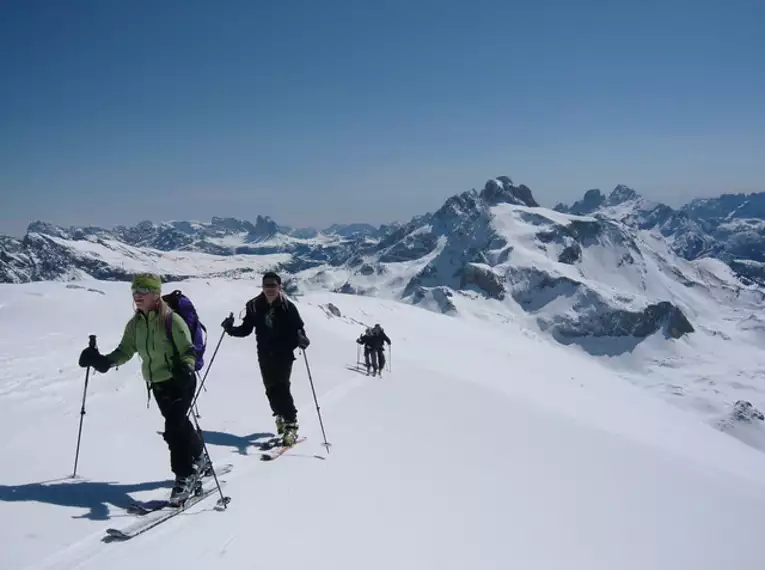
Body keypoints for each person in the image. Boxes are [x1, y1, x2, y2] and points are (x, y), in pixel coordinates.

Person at [77, 273, 208, 506]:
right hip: (157, 383)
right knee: (178, 424)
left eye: (143, 291)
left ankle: (185, 475)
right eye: (135, 291)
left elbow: (188, 350)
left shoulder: (172, 320)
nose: (137, 295)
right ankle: (200, 457)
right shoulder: (135, 324)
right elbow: (125, 351)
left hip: (180, 381)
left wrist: (186, 368)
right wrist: (102, 362)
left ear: (156, 295)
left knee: (173, 429)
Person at [221, 271, 309, 446]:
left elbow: (299, 329)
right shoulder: (254, 306)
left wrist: (302, 340)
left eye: (273, 286)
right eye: (267, 285)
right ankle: (280, 416)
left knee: (282, 387)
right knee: (270, 388)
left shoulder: (288, 307)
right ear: (262, 286)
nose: (270, 289)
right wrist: (230, 329)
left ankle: (291, 423)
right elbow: (246, 329)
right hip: (264, 353)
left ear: (279, 287)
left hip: (283, 353)